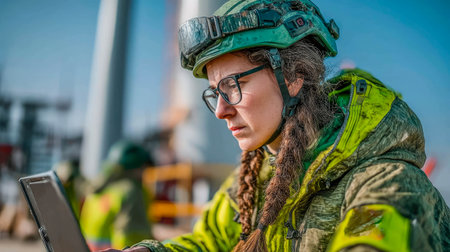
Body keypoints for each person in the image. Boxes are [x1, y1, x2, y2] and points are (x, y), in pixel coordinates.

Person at [103, 0, 450, 251]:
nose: (221, 110)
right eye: (214, 93)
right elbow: (207, 242)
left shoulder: (387, 187)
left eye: (233, 86)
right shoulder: (251, 181)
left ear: (294, 76)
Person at [80, 140, 154, 251]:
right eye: (144, 168)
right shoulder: (132, 191)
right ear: (137, 167)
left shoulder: (95, 190)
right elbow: (133, 233)